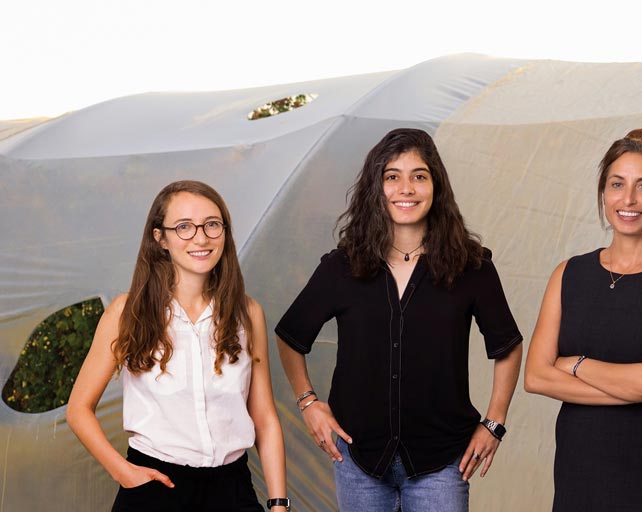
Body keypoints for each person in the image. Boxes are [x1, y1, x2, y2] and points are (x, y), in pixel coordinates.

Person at [275, 128, 523, 511]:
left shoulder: (472, 267)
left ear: (436, 186)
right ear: (376, 187)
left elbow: (507, 346)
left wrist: (494, 422)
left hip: (442, 460)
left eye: (418, 176)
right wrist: (309, 403)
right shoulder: (342, 267)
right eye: (392, 176)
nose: (406, 188)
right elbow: (290, 336)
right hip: (358, 458)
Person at [66, 181, 289, 512]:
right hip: (155, 487)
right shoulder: (127, 312)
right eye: (184, 227)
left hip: (232, 488)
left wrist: (279, 504)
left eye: (212, 224)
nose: (201, 238)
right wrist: (123, 472)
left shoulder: (248, 312)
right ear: (160, 238)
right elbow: (78, 409)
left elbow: (265, 418)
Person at [524, 129, 642, 511]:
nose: (628, 199)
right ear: (604, 193)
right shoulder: (568, 274)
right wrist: (633, 384)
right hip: (578, 469)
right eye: (617, 184)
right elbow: (536, 376)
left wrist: (575, 364)